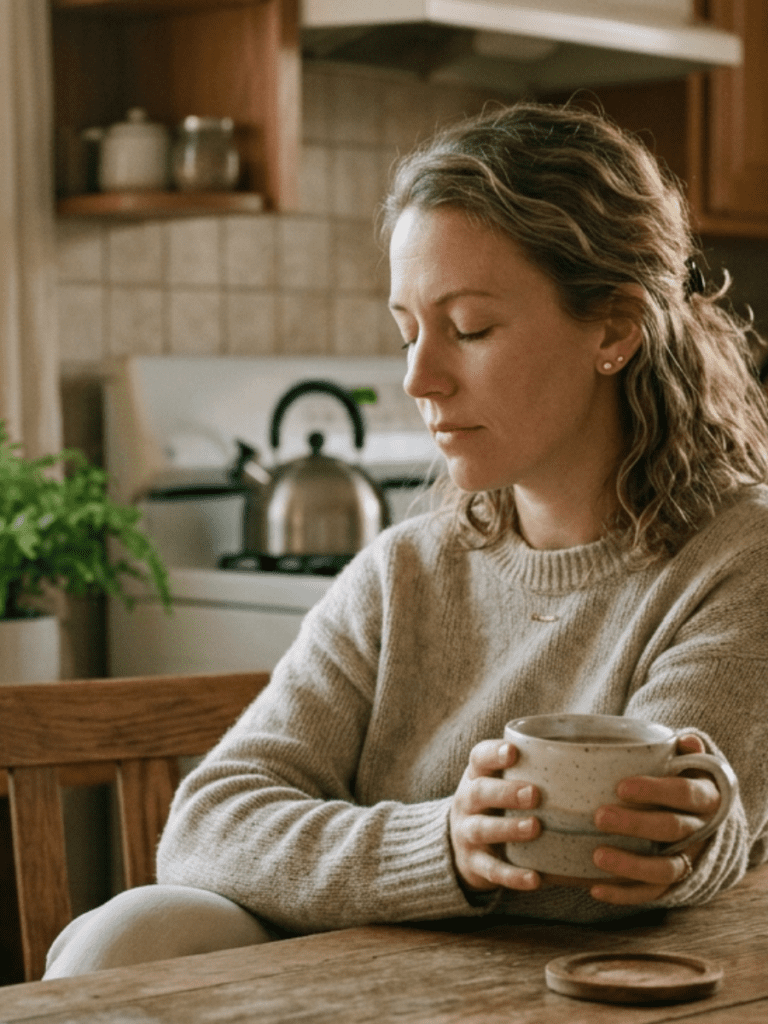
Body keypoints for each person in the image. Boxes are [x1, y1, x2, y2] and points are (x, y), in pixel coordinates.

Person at [45, 100, 768, 978]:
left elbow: (599, 871)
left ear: (614, 327)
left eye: (470, 329)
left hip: (591, 991)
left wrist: (679, 840)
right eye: (407, 330)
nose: (419, 377)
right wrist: (442, 847)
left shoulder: (738, 559)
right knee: (129, 933)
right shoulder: (403, 572)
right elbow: (206, 827)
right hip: (371, 976)